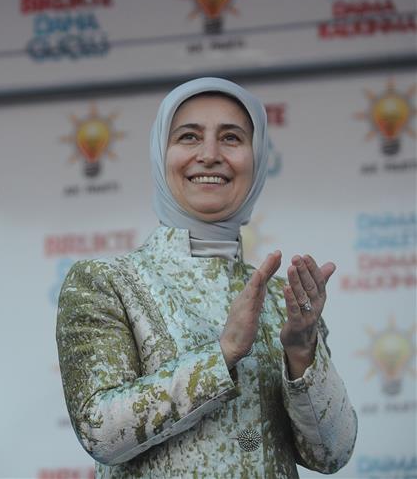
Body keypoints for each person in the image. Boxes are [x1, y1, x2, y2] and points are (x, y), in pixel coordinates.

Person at [55, 77, 357, 478]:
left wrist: (303, 350)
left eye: (231, 138)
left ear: (257, 157)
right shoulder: (108, 282)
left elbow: (332, 454)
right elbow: (100, 433)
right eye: (189, 137)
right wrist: (222, 353)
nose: (210, 155)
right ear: (161, 154)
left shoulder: (282, 300)